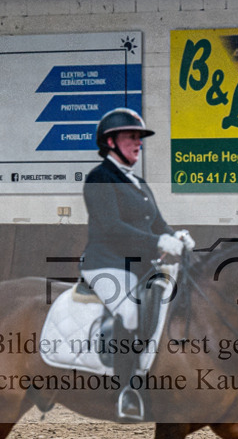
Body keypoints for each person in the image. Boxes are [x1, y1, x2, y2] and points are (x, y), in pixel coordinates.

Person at [80, 108, 194, 420]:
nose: (138, 143)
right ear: (111, 141)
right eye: (131, 137)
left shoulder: (139, 183)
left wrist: (176, 237)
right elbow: (111, 227)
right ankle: (127, 390)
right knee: (130, 312)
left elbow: (157, 223)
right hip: (106, 263)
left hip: (139, 265)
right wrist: (158, 242)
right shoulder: (99, 178)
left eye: (139, 138)